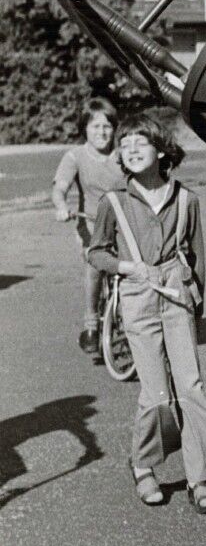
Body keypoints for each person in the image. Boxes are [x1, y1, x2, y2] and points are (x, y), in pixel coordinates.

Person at [86, 111, 206, 513]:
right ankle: (143, 464)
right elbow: (96, 253)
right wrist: (126, 267)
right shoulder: (113, 202)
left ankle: (200, 477)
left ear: (161, 150)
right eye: (125, 144)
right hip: (137, 295)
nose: (131, 150)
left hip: (176, 295)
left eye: (141, 142)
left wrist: (196, 306)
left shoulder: (187, 199)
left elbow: (198, 258)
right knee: (156, 394)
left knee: (191, 388)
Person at [52, 96, 124, 359]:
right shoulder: (76, 156)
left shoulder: (123, 155)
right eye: (95, 126)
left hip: (123, 225)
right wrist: (61, 207)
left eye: (107, 126)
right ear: (85, 128)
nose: (102, 132)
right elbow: (59, 188)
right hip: (91, 224)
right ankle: (92, 323)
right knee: (94, 267)